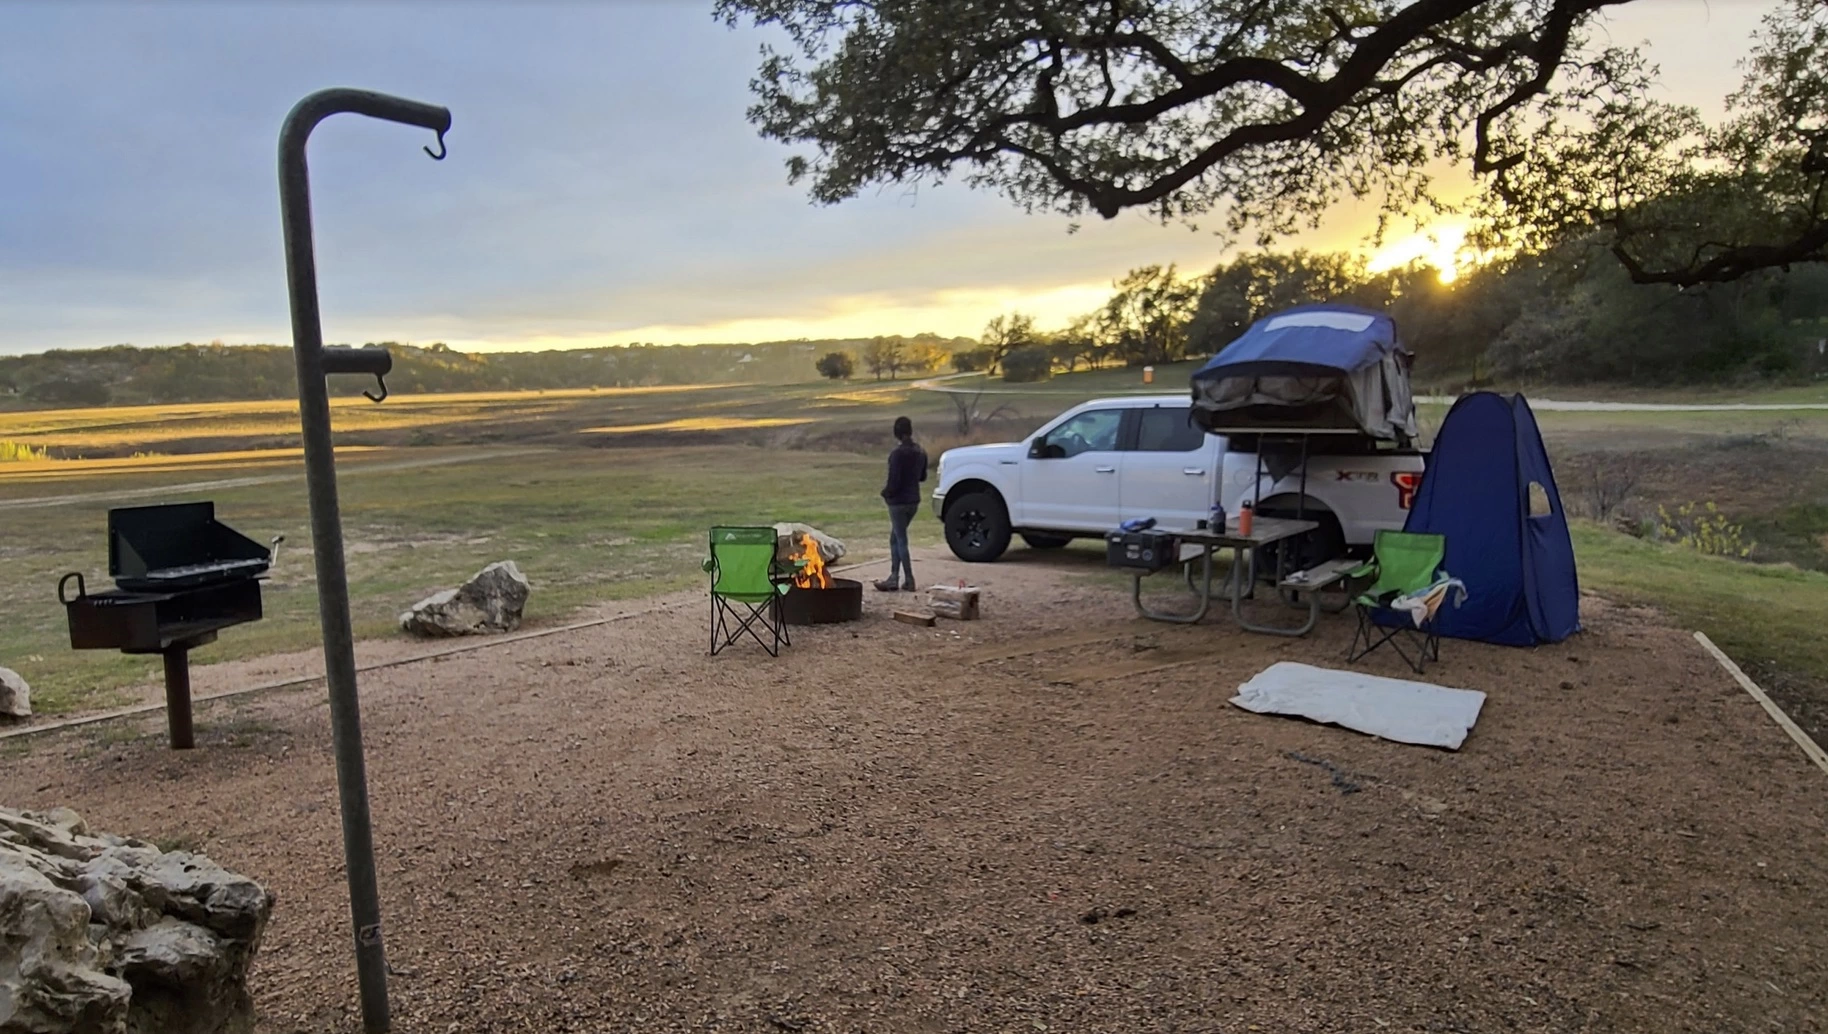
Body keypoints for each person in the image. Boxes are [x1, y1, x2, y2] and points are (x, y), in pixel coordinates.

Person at [875, 415, 928, 592]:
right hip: (913, 500)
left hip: (898, 502)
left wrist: (886, 494)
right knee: (895, 538)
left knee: (900, 540)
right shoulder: (920, 452)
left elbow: (894, 482)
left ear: (896, 433)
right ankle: (894, 577)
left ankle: (907, 578)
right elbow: (922, 477)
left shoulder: (896, 455)